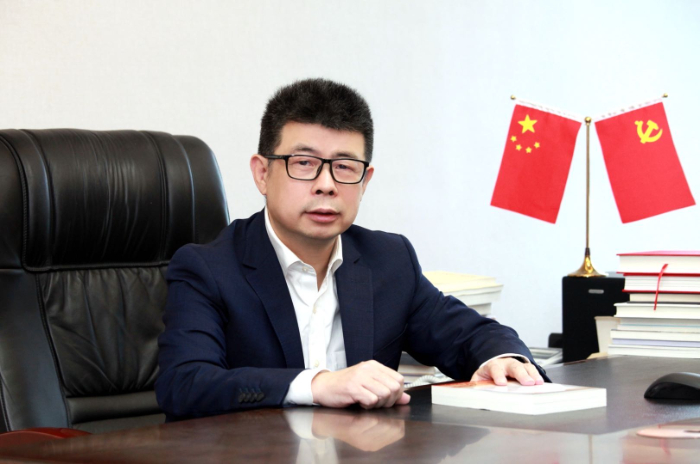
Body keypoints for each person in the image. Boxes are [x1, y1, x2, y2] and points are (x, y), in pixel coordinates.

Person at [155, 78, 547, 421]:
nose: (326, 184)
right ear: (262, 173)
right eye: (303, 163)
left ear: (365, 181)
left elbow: (469, 334)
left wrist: (502, 359)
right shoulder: (208, 268)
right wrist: (318, 384)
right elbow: (185, 384)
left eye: (344, 167)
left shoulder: (388, 259)